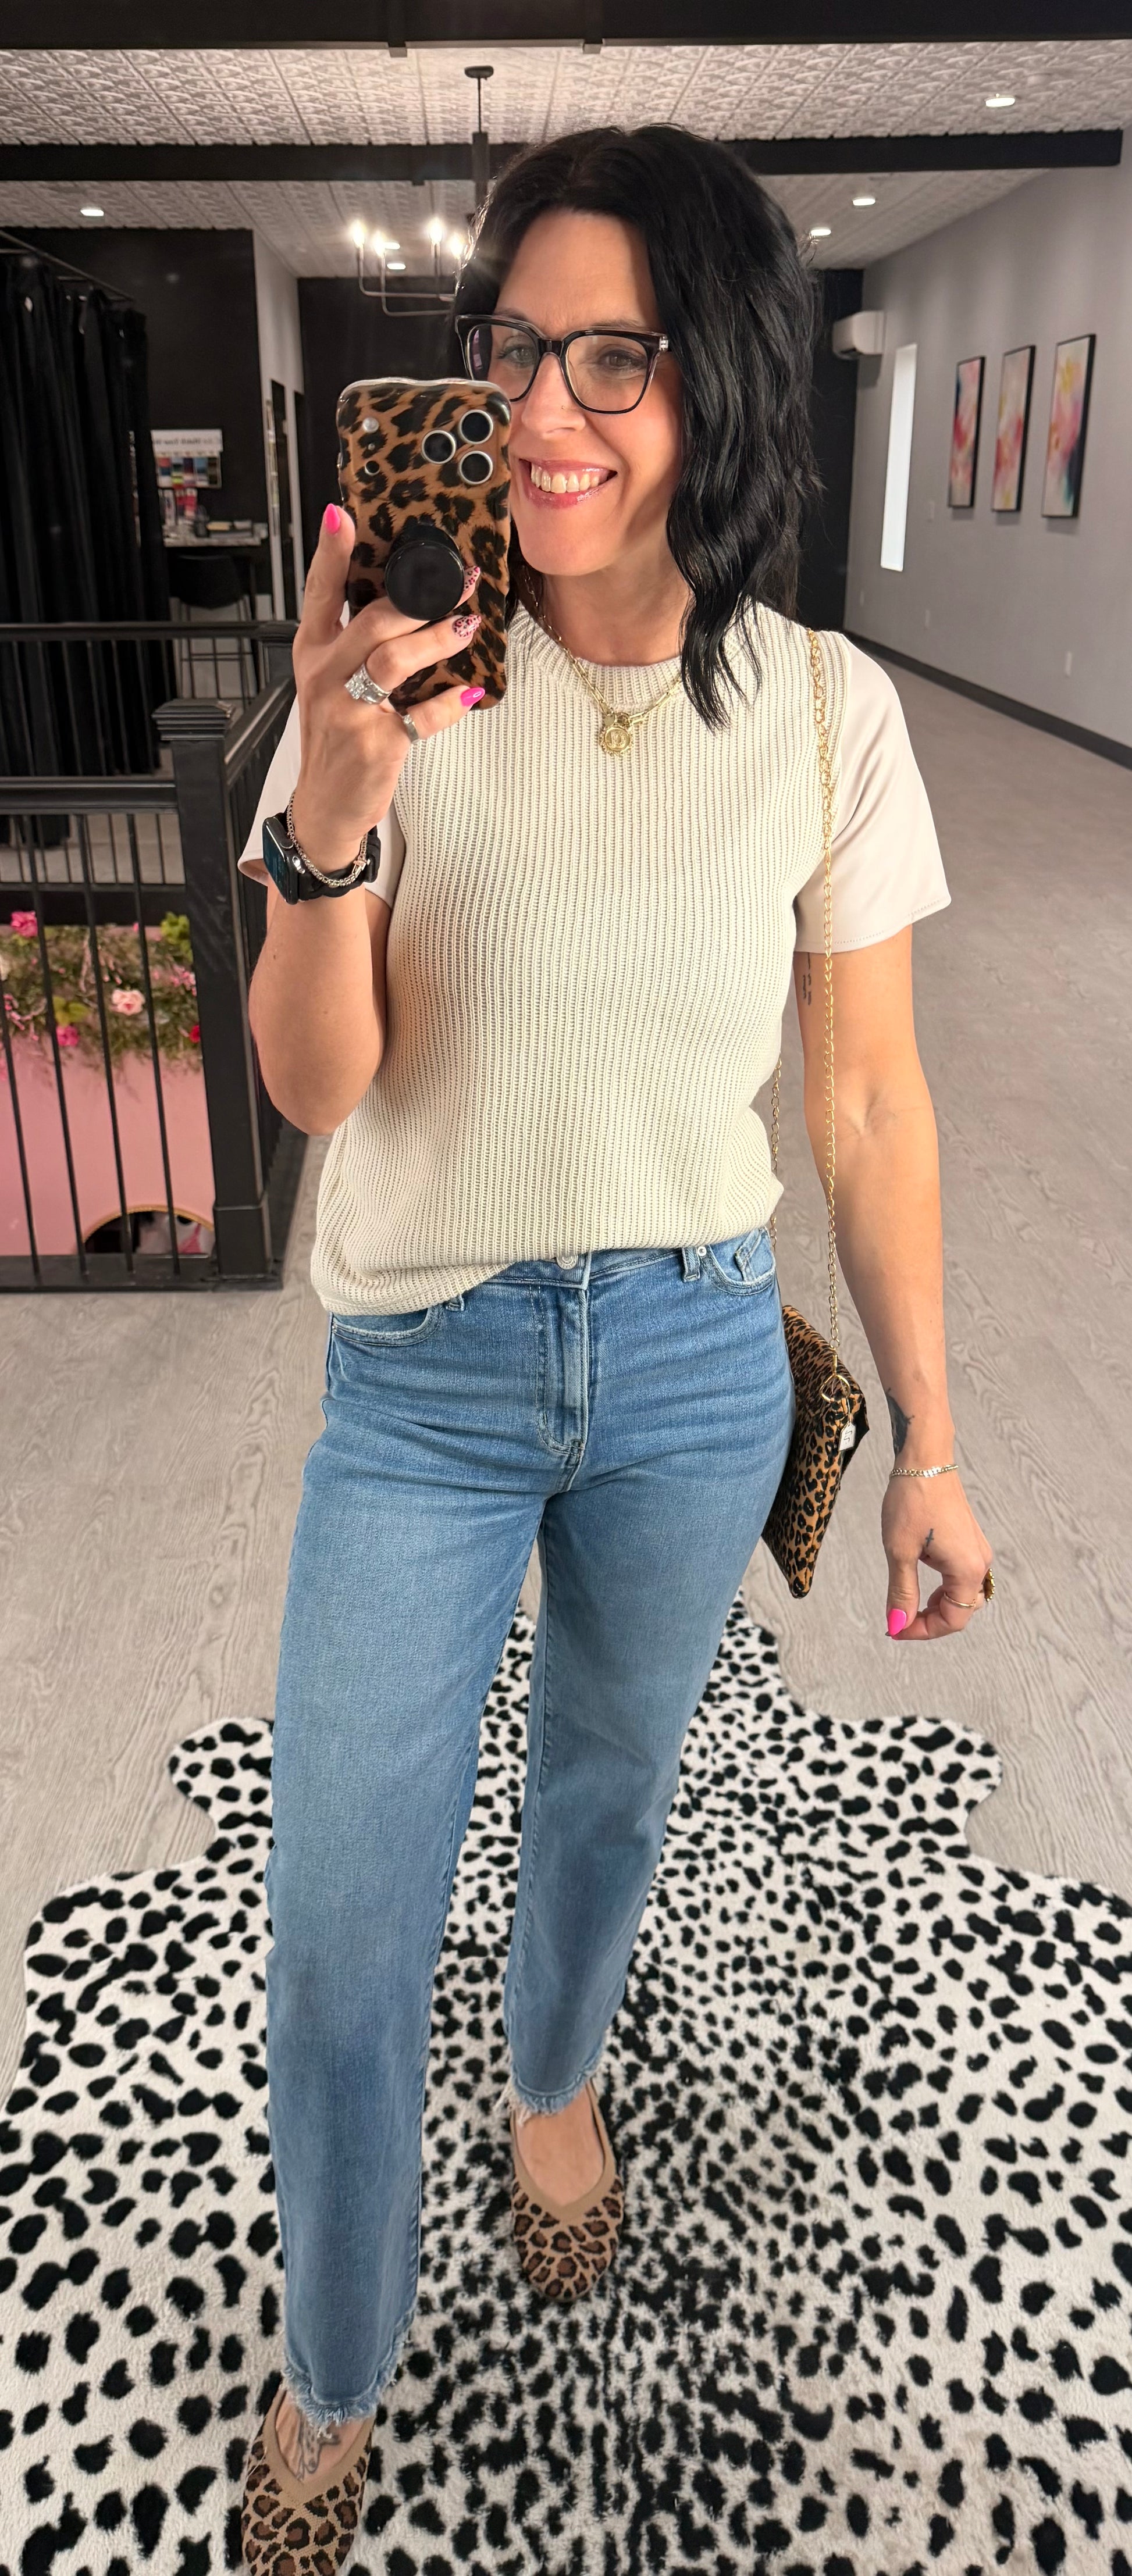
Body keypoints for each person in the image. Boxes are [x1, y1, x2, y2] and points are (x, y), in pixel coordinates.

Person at [236, 124, 993, 2571]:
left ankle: (552, 2084)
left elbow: (864, 1100)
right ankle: (333, 2361)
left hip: (688, 1363)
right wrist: (337, 801)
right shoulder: (391, 673)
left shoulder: (822, 708)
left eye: (611, 359)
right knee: (340, 1922)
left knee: (599, 1799)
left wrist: (930, 1441)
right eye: (509, 354)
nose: (542, 413)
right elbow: (314, 1089)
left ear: (718, 380)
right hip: (423, 1384)